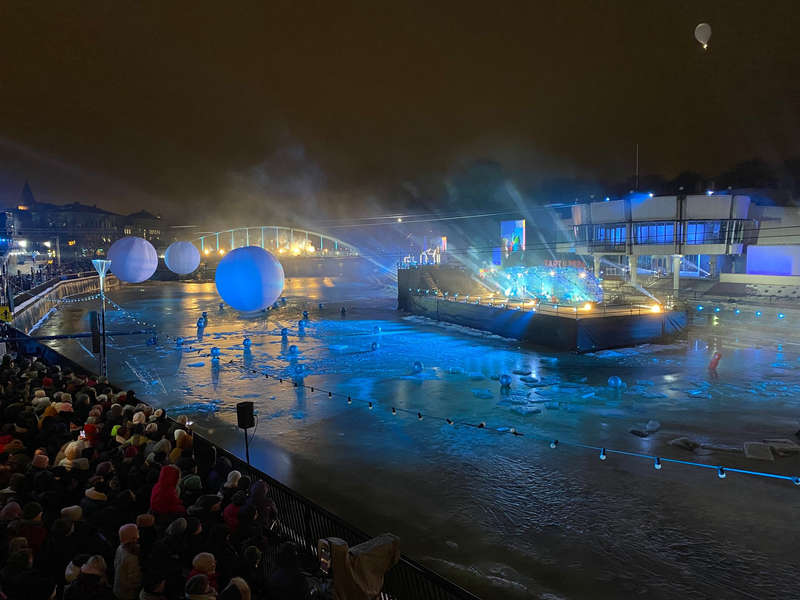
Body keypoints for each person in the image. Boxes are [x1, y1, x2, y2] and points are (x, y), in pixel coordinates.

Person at [114, 523, 143, 600]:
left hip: (118, 587)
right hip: (128, 593)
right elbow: (134, 577)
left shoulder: (120, 548)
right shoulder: (131, 556)